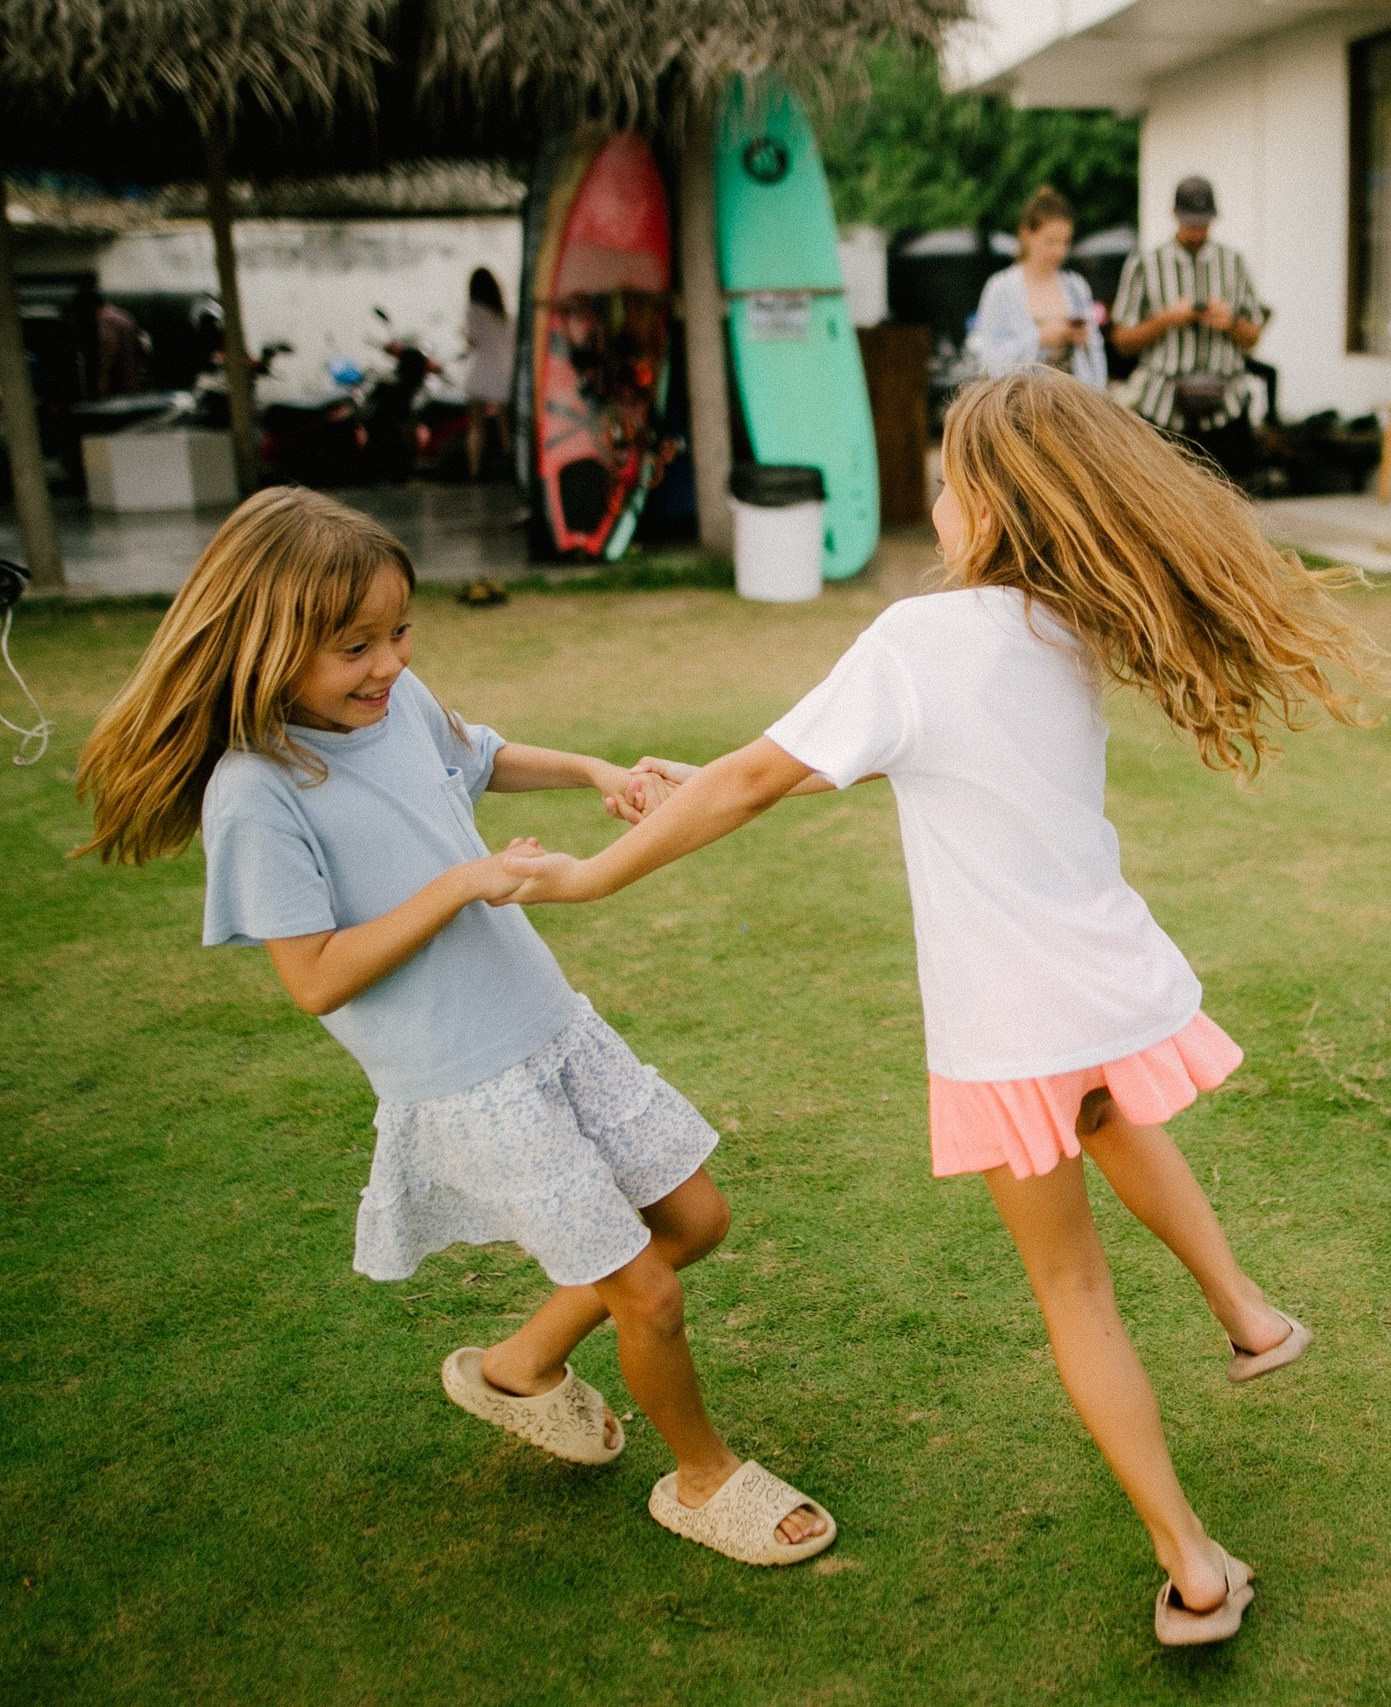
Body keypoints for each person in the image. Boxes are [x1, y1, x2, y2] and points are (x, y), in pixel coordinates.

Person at [501, 368, 1378, 1646]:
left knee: (1075, 1292)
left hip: (1011, 1026)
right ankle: (1245, 1311)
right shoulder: (1062, 623)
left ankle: (1191, 1563)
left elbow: (759, 775)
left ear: (999, 500)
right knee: (1111, 1116)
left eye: (948, 481)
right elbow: (846, 759)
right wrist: (714, 777)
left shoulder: (920, 639)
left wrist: (582, 877)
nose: (933, 502)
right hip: (1105, 984)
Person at [71, 487, 835, 1567]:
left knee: (694, 1221)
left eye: (397, 632)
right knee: (647, 1292)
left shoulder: (395, 702)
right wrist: (459, 883)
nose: (387, 663)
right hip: (463, 1080)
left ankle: (518, 1368)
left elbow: (476, 754)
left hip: (547, 1027)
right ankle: (705, 1479)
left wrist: (595, 772)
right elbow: (316, 979)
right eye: (353, 646)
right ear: (270, 641)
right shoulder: (254, 793)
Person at [1111, 176, 1269, 483]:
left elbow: (1253, 339)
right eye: (1189, 223)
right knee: (1165, 504)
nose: (1196, 231)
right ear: (1175, 215)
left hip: (1226, 404)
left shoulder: (1233, 262)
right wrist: (1166, 319)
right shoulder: (1146, 263)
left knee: (1230, 503)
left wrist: (1230, 322)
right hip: (1164, 405)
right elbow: (1122, 342)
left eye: (1203, 223)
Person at [970, 186, 1108, 389]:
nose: (1059, 251)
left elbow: (1096, 354)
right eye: (1051, 242)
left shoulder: (1076, 286)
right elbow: (986, 361)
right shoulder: (1000, 288)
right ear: (1026, 235)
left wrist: (1083, 340)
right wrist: (1040, 338)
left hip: (1071, 402)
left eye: (1065, 242)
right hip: (1019, 404)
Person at [462, 268, 512, 482]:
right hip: (503, 376)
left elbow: (473, 342)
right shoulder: (504, 314)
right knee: (505, 428)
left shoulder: (473, 311)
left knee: (477, 428)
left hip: (481, 376)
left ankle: (474, 474)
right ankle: (510, 470)